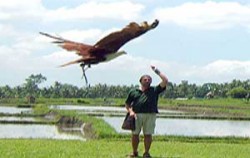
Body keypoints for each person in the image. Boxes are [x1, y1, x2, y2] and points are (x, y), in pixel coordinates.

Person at [125, 65, 168, 158]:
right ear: (140, 81)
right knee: (135, 134)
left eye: (149, 79)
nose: (147, 80)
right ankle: (134, 152)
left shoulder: (154, 90)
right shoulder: (134, 91)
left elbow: (165, 80)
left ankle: (146, 153)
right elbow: (127, 104)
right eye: (145, 79)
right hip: (136, 115)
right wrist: (131, 112)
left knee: (148, 134)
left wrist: (156, 70)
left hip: (150, 115)